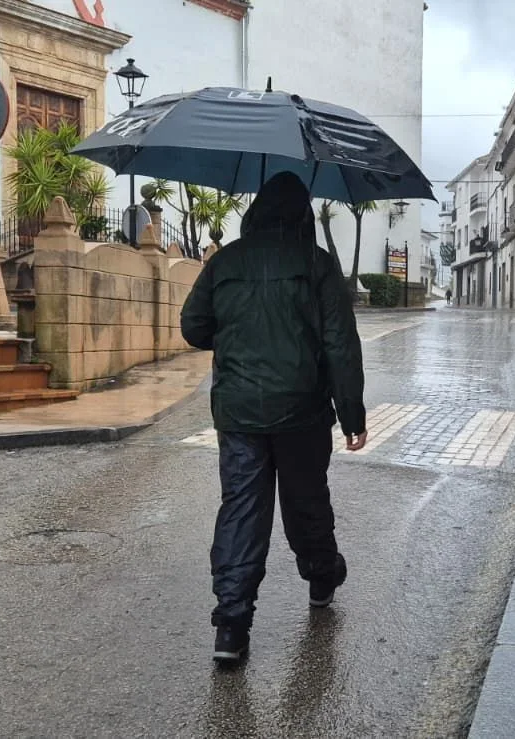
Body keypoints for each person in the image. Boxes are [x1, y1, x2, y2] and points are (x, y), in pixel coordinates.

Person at [180, 172, 368, 665]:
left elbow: (194, 327)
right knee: (305, 501)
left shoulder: (225, 263)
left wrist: (236, 334)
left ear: (256, 213)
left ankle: (232, 624)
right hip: (302, 411)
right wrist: (352, 415)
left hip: (239, 411)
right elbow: (340, 347)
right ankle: (322, 575)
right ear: (305, 215)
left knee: (242, 507)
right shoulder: (318, 265)